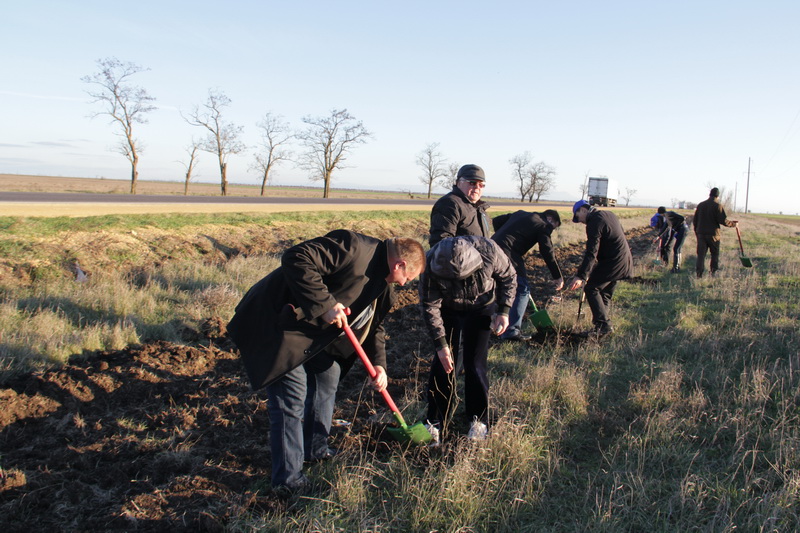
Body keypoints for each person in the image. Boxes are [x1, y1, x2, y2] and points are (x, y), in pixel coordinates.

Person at [227, 230, 425, 491]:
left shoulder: (384, 289)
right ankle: (288, 483)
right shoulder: (353, 247)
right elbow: (296, 257)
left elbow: (373, 326)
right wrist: (325, 304)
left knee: (328, 376)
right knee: (291, 400)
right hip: (277, 325)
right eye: (408, 278)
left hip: (312, 337)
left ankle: (315, 450)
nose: (404, 284)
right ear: (399, 264)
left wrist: (379, 364)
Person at [418, 235, 516, 444]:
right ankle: (434, 421)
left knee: (475, 363)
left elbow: (509, 277)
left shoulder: (489, 250)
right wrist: (441, 344)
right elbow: (429, 306)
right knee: (443, 364)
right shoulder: (429, 264)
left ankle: (478, 419)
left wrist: (504, 311)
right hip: (448, 310)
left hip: (482, 307)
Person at [491, 209, 564, 341]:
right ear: (550, 219)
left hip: (490, 248)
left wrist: (505, 237)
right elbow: (547, 250)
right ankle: (511, 332)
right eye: (553, 227)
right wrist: (557, 275)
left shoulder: (520, 213)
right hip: (508, 253)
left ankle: (493, 322)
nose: (551, 230)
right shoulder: (544, 225)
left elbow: (496, 221)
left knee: (492, 286)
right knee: (522, 289)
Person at [567, 200, 633, 338]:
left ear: (583, 210)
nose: (581, 221)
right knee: (605, 293)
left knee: (591, 288)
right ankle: (604, 326)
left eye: (578, 217)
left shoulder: (595, 221)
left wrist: (581, 276)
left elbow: (592, 252)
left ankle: (603, 326)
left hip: (612, 262)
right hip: (623, 259)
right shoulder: (609, 214)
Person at [429, 164, 491, 246]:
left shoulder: (480, 209)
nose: (477, 188)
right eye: (472, 183)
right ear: (458, 183)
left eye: (481, 185)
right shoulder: (449, 204)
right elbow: (442, 243)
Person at [693, 187, 738, 278]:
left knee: (701, 255)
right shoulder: (717, 206)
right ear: (717, 196)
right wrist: (733, 224)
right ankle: (713, 273)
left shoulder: (701, 205)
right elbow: (723, 221)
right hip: (713, 235)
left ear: (710, 194)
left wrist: (697, 232)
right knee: (714, 254)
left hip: (701, 234)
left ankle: (699, 274)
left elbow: (695, 221)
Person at [653, 206, 689, 273]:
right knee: (678, 249)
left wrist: (675, 227)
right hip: (681, 230)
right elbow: (665, 227)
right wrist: (658, 236)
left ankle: (676, 268)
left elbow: (682, 218)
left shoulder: (669, 214)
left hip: (683, 230)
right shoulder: (667, 217)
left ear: (661, 213)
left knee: (676, 249)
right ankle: (677, 266)